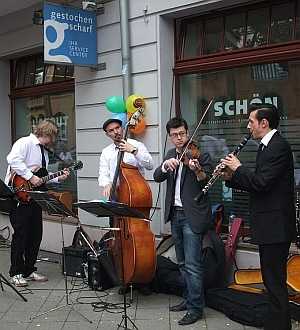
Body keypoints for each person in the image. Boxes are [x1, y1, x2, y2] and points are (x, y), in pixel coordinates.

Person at [221, 104, 296, 330]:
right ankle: (275, 323)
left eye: (251, 121)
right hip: (269, 225)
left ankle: (280, 326)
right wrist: (230, 176)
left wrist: (238, 167)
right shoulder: (267, 146)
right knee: (272, 281)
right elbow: (259, 182)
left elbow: (261, 183)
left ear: (264, 123)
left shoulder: (278, 146)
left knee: (274, 282)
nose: (248, 126)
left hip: (276, 226)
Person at [153, 117, 212, 326]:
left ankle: (196, 308)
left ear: (188, 133)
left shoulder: (200, 154)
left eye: (182, 134)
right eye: (175, 135)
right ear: (169, 137)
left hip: (192, 216)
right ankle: (188, 300)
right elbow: (157, 176)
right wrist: (164, 166)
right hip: (175, 214)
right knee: (182, 263)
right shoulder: (170, 155)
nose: (179, 138)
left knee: (194, 265)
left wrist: (196, 169)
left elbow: (207, 182)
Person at [5, 120, 70, 287]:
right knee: (21, 235)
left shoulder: (44, 151)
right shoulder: (24, 143)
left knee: (35, 235)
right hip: (19, 196)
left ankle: (29, 270)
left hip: (35, 197)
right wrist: (29, 176)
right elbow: (12, 160)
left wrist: (57, 176)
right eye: (52, 137)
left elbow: (41, 175)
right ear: (46, 134)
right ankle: (16, 272)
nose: (53, 141)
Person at [98, 118, 153, 198]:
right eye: (111, 130)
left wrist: (134, 151)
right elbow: (103, 173)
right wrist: (107, 184)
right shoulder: (106, 152)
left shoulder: (137, 145)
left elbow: (150, 165)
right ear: (107, 134)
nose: (116, 132)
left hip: (136, 193)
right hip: (116, 194)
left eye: (117, 128)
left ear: (122, 128)